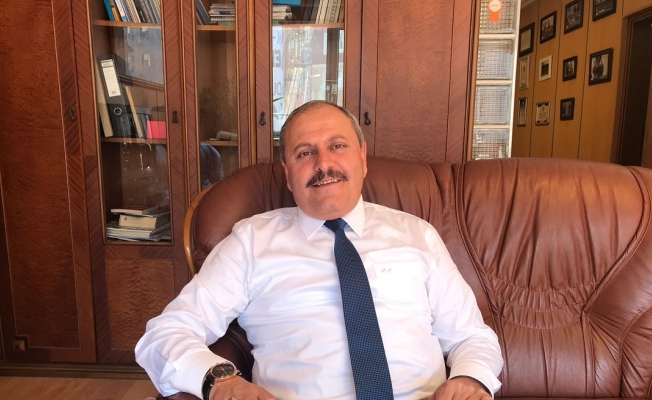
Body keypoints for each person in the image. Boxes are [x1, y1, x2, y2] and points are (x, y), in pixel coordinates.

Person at [135, 100, 503, 400]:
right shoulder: (251, 242)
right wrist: (219, 381)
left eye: (337, 146)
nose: (323, 164)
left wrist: (470, 380)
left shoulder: (417, 235)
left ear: (362, 157)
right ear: (287, 174)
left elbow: (471, 336)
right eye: (305, 153)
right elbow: (165, 334)